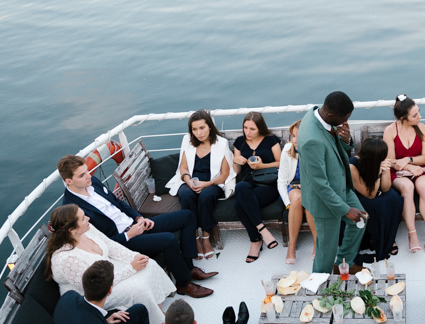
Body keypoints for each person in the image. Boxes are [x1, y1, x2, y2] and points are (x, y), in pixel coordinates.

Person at [58, 154, 214, 298]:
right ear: (68, 181)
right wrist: (129, 234)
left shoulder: (93, 183)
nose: (88, 176)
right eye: (82, 175)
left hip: (136, 224)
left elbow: (118, 203)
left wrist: (139, 218)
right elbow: (102, 241)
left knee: (187, 216)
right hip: (124, 240)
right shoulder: (73, 210)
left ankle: (190, 268)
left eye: (87, 171)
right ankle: (184, 284)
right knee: (169, 240)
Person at [46, 205, 174, 324]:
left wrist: (134, 256)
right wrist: (131, 268)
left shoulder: (87, 229)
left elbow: (111, 246)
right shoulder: (66, 259)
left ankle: (158, 311)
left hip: (107, 270)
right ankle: (156, 323)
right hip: (94, 295)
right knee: (138, 288)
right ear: (72, 230)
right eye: (84, 218)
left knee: (149, 264)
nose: (88, 218)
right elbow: (95, 287)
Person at [296, 92, 368, 274]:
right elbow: (320, 184)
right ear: (331, 116)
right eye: (344, 118)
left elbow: (332, 150)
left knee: (361, 220)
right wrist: (345, 209)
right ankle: (320, 287)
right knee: (325, 250)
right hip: (324, 200)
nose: (346, 122)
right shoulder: (311, 139)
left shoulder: (318, 114)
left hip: (342, 187)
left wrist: (346, 141)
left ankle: (343, 264)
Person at [165, 110, 235, 260]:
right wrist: (188, 180)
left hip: (213, 182)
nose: (199, 133)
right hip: (190, 181)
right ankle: (195, 238)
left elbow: (224, 174)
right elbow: (183, 167)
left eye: (202, 128)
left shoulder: (221, 143)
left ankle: (206, 237)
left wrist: (207, 184)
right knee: (185, 195)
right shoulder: (187, 141)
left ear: (209, 126)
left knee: (205, 196)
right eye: (194, 129)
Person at [384, 94, 425, 253]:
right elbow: (391, 160)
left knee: (424, 187)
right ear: (403, 118)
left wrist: (408, 161)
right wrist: (409, 168)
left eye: (419, 112)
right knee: (407, 188)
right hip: (398, 173)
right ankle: (412, 233)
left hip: (422, 168)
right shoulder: (390, 131)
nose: (420, 116)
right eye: (415, 115)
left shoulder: (422, 129)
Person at [232, 112, 282, 263]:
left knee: (238, 204)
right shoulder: (239, 142)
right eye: (245, 128)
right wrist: (236, 161)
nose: (247, 132)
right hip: (248, 181)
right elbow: (237, 172)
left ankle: (255, 241)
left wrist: (262, 165)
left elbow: (281, 163)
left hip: (268, 182)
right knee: (240, 187)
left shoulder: (271, 140)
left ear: (260, 128)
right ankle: (262, 229)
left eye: (252, 129)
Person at [349, 138, 403, 265]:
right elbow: (369, 195)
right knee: (376, 205)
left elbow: (385, 188)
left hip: (373, 189)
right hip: (358, 195)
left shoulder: (379, 161)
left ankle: (388, 239)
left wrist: (385, 170)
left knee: (394, 199)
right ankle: (376, 240)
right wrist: (378, 172)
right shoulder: (353, 165)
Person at [278, 120, 317, 265]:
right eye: (293, 136)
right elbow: (281, 182)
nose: (295, 140)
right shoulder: (288, 150)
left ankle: (317, 243)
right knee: (297, 198)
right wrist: (288, 203)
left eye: (299, 137)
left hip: (312, 188)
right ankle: (291, 246)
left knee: (309, 198)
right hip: (293, 188)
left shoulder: (316, 150)